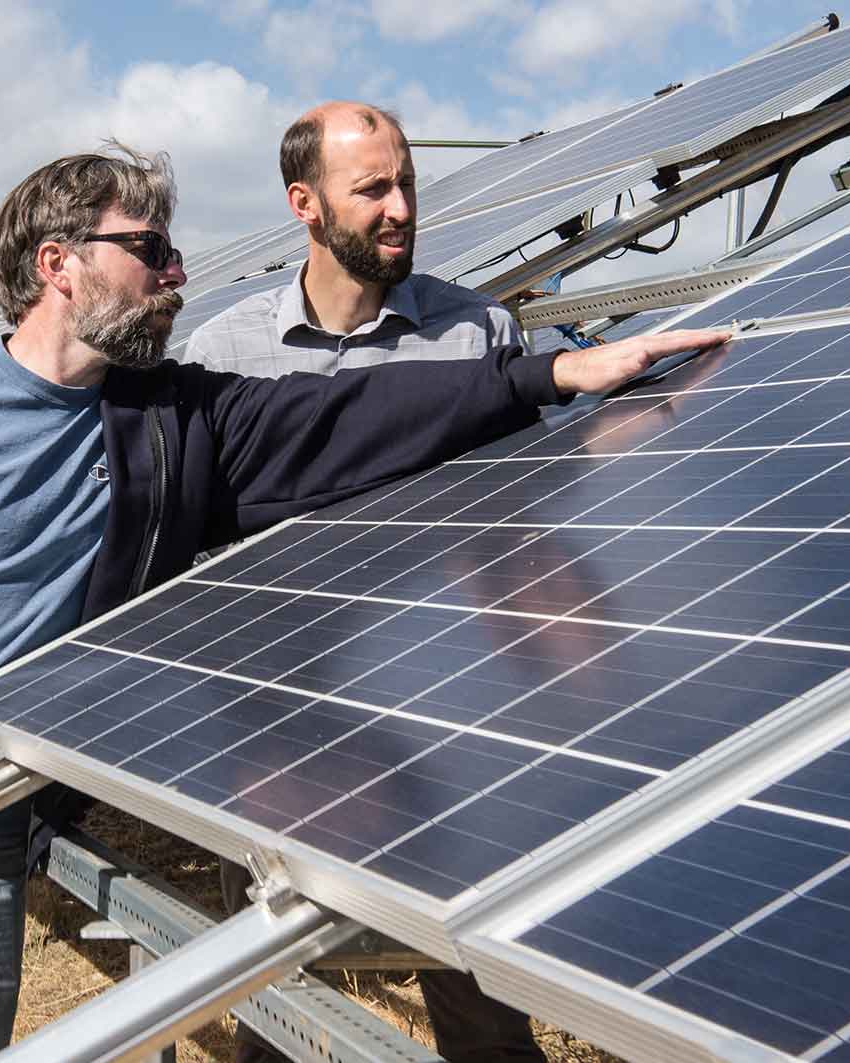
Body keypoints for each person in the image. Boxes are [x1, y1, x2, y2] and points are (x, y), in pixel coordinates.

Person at [0, 141, 728, 1063]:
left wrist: (542, 379)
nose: (177, 274)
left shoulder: (171, 426)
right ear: (59, 263)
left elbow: (347, 419)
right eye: (150, 251)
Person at [184, 101, 562, 1062]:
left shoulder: (479, 335)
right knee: (277, 986)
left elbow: (527, 530)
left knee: (475, 988)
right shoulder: (224, 356)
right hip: (282, 715)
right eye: (373, 190)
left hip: (447, 703)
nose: (400, 208)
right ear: (304, 205)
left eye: (406, 185)